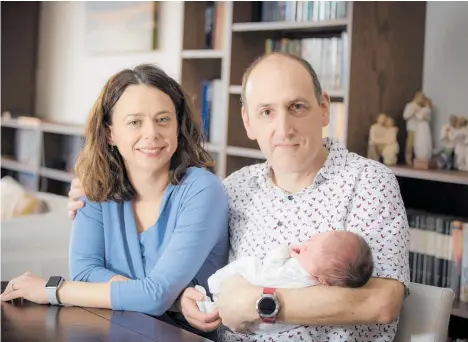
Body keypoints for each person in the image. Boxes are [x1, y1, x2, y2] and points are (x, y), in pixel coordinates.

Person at [66, 53, 410, 342]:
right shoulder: (235, 189)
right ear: (247, 121)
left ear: (323, 109)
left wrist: (264, 303)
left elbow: (382, 302)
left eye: (297, 107)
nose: (283, 128)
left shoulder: (368, 182)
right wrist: (184, 301)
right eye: (266, 112)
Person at [0, 64, 229, 338]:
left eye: (163, 119)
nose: (152, 133)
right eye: (135, 122)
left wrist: (52, 289)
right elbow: (85, 273)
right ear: (110, 133)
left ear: (178, 126)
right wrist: (169, 298)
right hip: (116, 330)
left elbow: (153, 296)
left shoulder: (202, 190)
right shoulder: (96, 186)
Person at [195, 230, 374, 335]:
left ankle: (214, 286)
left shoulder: (297, 271)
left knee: (249, 264)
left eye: (309, 247)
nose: (304, 244)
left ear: (321, 278)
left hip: (251, 294)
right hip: (266, 326)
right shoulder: (321, 285)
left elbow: (269, 270)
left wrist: (284, 252)